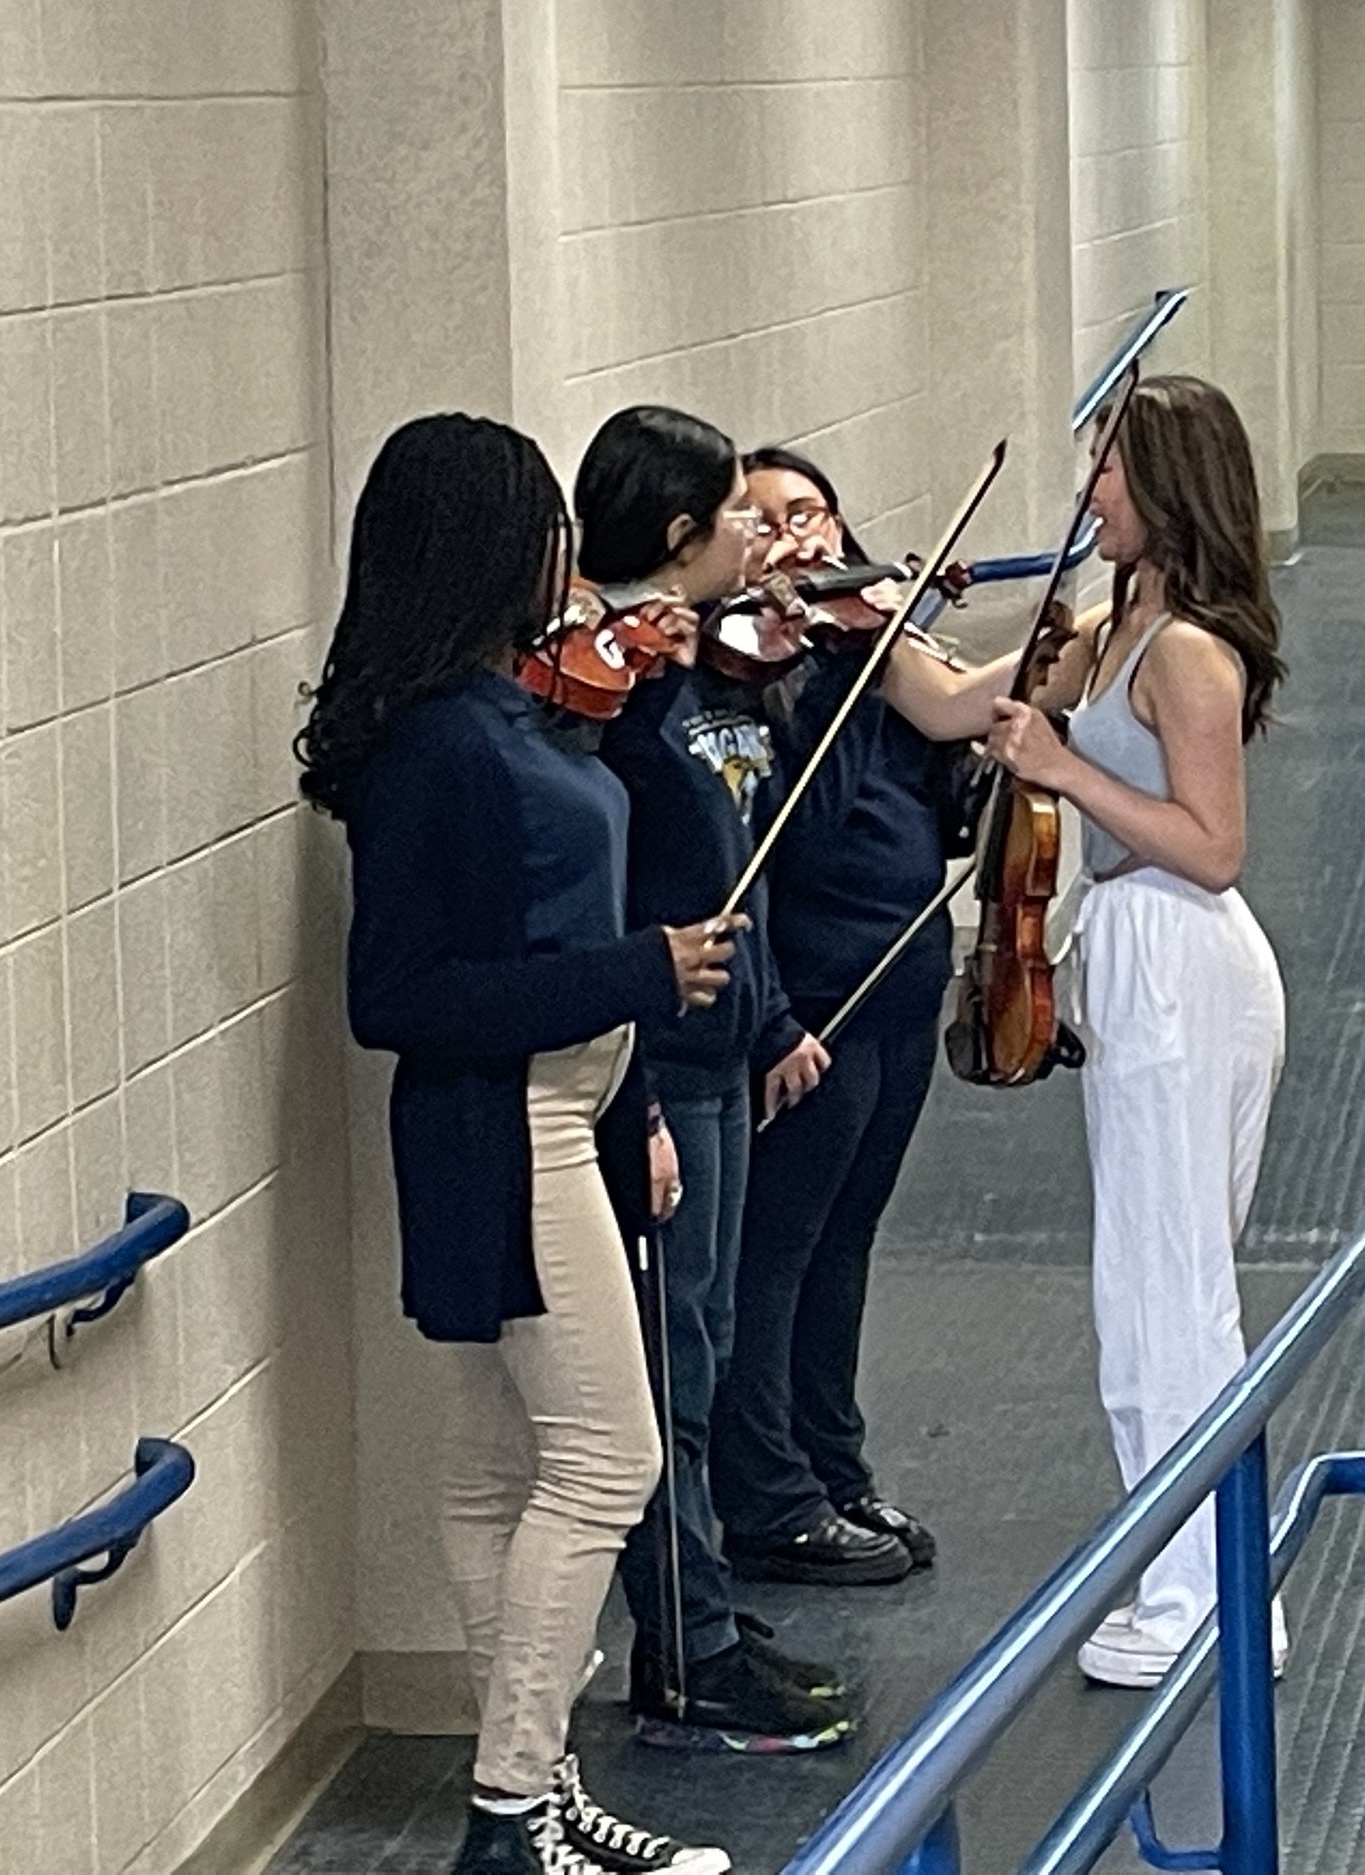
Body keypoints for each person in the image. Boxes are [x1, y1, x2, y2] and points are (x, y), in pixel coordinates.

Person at [296, 411, 742, 1875]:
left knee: (500, 1464)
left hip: (573, 1106)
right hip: (505, 1120)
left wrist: (637, 1096)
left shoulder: (512, 712)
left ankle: (538, 1789)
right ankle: (506, 1808)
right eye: (544, 521)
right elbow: (401, 997)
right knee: (607, 1458)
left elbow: (565, 896)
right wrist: (639, 973)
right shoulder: (436, 745)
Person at [877, 377, 1290, 1690]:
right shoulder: (1112, 625)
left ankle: (1209, 1600)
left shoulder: (1185, 652)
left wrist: (1065, 771)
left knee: (1172, 1297)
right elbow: (949, 702)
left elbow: (1216, 847)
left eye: (1108, 469)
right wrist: (860, 613)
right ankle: (1183, 1571)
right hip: (1133, 953)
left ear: (1167, 486)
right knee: (1148, 1288)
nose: (1088, 490)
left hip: (1181, 956)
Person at [571, 406, 855, 1753]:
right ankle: (686, 1650)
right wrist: (634, 1098)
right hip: (658, 1066)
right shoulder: (616, 693)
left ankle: (712, 1620)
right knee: (675, 1362)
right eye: (739, 516)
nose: (765, 538)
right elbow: (617, 894)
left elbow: (739, 845)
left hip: (721, 1047)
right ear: (679, 536)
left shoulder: (720, 669)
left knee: (718, 1333)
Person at [704, 447, 947, 1588]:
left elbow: (938, 788)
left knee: (846, 1241)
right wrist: (844, 666)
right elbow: (792, 835)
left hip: (902, 980)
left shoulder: (868, 648)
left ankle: (833, 1464)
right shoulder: (763, 679)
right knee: (779, 1252)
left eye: (812, 511)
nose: (799, 537)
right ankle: (769, 1494)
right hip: (819, 993)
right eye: (766, 521)